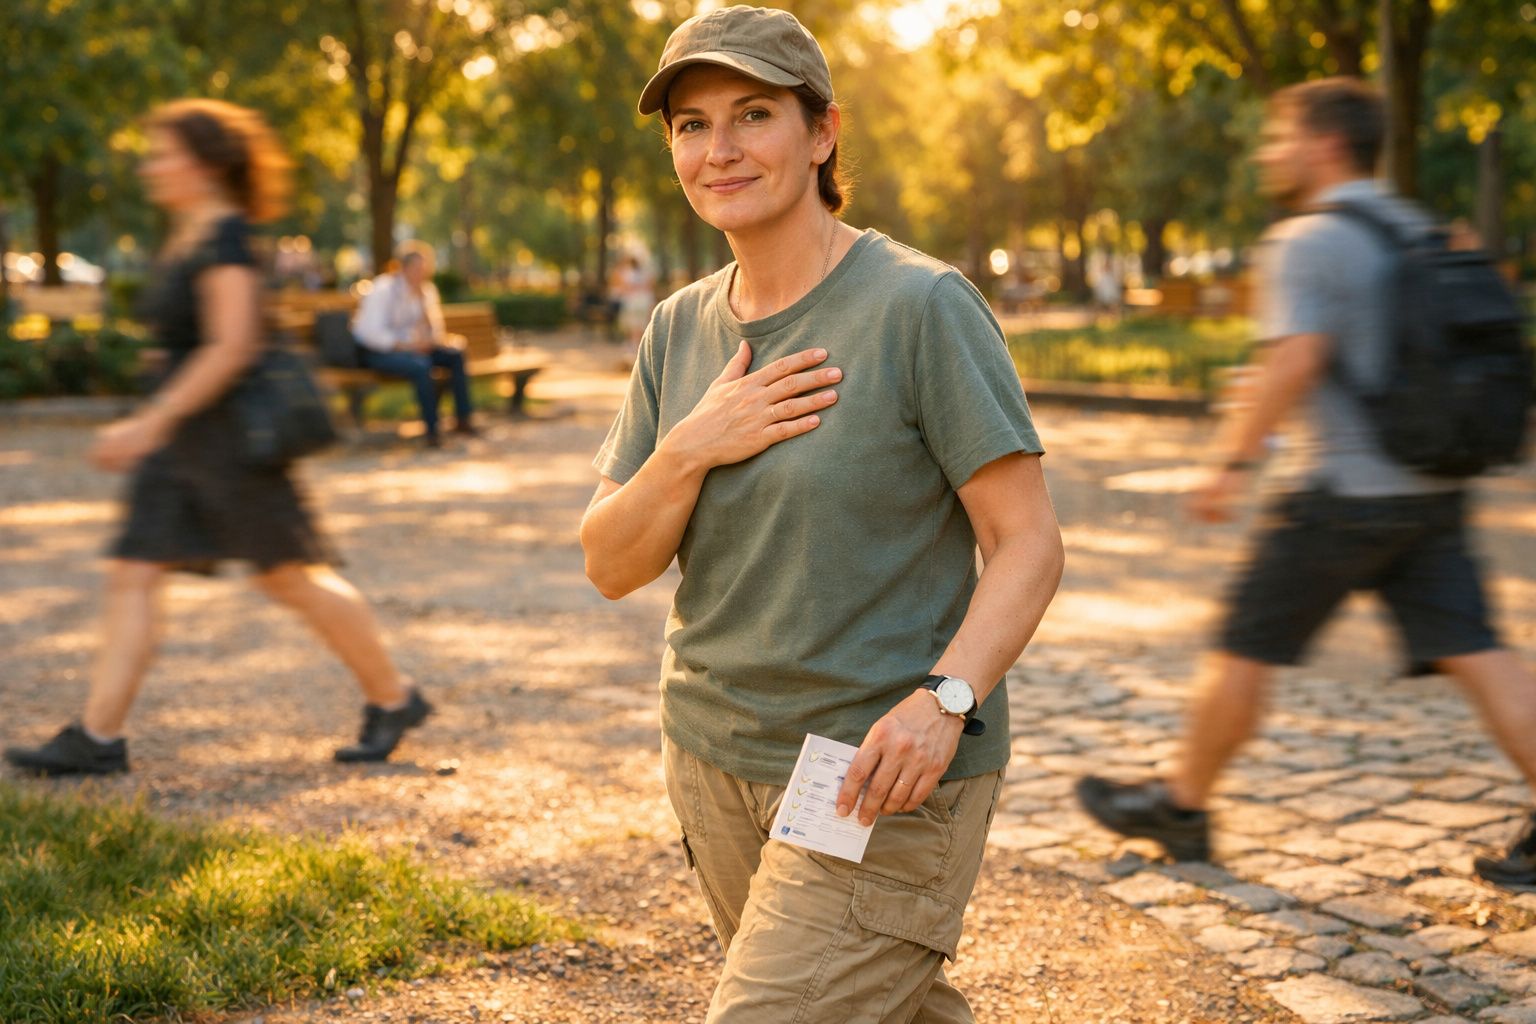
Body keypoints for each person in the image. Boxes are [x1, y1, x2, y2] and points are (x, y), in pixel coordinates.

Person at [579, 7, 1064, 1021]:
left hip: (871, 770)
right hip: (714, 755)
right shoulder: (678, 330)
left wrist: (948, 701)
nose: (719, 150)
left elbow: (1027, 543)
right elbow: (612, 562)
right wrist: (691, 445)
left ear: (823, 132)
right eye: (690, 125)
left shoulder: (920, 305)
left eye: (753, 114)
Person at [1075, 77, 1536, 888]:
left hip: (1338, 496)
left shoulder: (1309, 240)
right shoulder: (1416, 224)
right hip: (1430, 490)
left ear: (1325, 144)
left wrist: (1227, 467)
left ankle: (1182, 805)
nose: (1269, 153)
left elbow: (1293, 359)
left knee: (1244, 646)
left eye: (1281, 136)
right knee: (1482, 653)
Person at [2, 99, 431, 777]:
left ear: (204, 165)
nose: (153, 165)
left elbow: (231, 347)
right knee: (134, 572)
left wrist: (150, 419)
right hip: (184, 446)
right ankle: (98, 735)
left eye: (164, 152)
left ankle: (394, 696)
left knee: (290, 579)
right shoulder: (188, 234)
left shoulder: (226, 237)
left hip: (233, 444)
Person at [351, 240, 477, 448]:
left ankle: (463, 419)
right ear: (403, 268)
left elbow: (436, 330)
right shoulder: (383, 289)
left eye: (425, 269)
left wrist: (428, 329)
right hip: (378, 352)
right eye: (417, 269)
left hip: (413, 349)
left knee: (455, 355)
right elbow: (368, 334)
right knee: (421, 365)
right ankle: (432, 431)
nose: (422, 274)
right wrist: (407, 346)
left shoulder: (426, 291)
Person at [612, 252, 657, 366]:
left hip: (634, 302)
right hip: (640, 302)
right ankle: (637, 349)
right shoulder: (643, 273)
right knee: (638, 327)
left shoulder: (628, 273)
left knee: (634, 327)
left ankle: (634, 350)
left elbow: (622, 286)